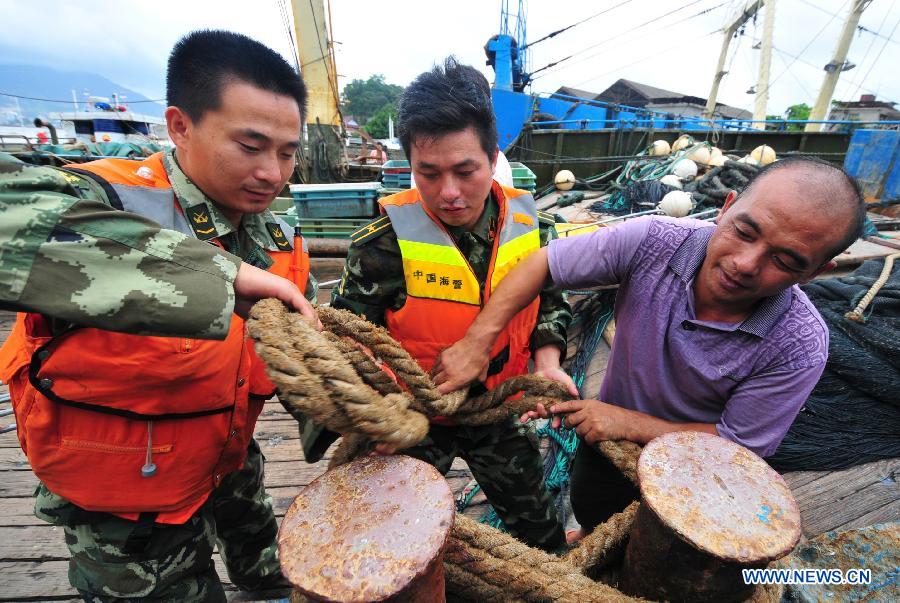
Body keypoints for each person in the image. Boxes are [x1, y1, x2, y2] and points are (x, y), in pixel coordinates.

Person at [0, 30, 319, 601]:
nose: (273, 172)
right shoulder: (102, 200)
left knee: (267, 562)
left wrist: (353, 422)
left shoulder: (279, 234)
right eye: (251, 146)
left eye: (288, 152)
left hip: (225, 452)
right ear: (179, 126)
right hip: (124, 494)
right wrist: (221, 278)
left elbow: (304, 355)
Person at [434, 156, 866, 539]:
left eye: (786, 261)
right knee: (593, 513)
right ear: (727, 206)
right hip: (604, 443)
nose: (745, 263)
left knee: (666, 551)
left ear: (816, 272)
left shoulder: (800, 344)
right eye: (745, 231)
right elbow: (545, 262)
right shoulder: (652, 241)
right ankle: (588, 537)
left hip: (699, 473)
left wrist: (624, 420)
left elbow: (740, 444)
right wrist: (478, 342)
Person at [299, 57, 573, 552]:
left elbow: (549, 301)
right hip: (418, 421)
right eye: (429, 173)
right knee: (393, 538)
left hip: (501, 411)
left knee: (540, 535)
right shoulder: (381, 246)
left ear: (493, 155)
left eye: (465, 170)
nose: (448, 192)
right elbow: (344, 341)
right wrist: (375, 415)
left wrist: (548, 360)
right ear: (410, 165)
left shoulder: (536, 230)